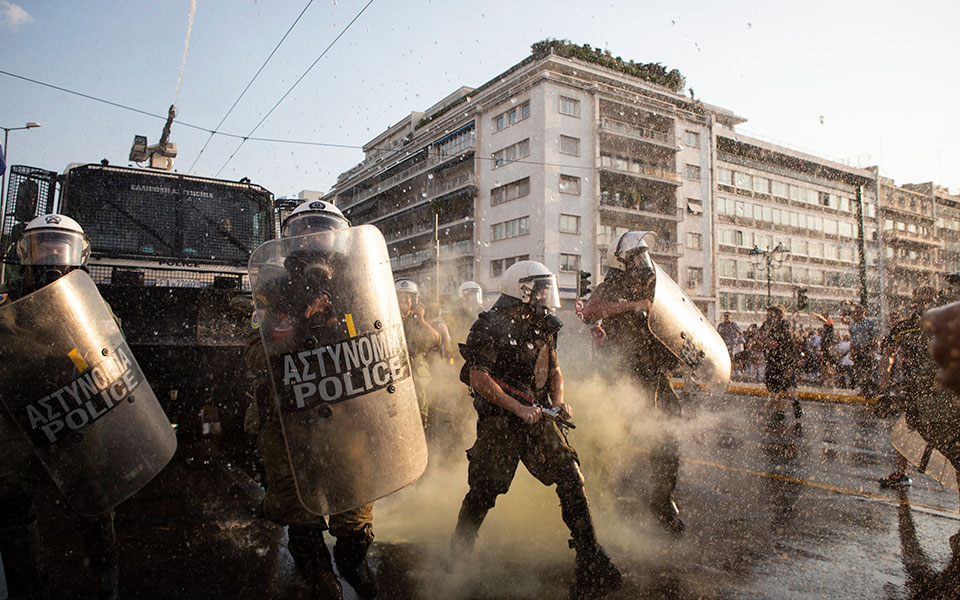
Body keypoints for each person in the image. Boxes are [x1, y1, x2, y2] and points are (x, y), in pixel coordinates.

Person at [451, 260, 622, 598]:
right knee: (485, 491)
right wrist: (517, 407)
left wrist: (558, 403)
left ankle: (590, 557)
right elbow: (478, 377)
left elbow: (555, 373)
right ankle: (458, 555)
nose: (547, 296)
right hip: (501, 423)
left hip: (538, 417)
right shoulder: (489, 326)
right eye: (541, 289)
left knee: (571, 475)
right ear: (522, 290)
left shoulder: (543, 325)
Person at [244, 200, 376, 599]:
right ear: (291, 242)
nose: (314, 239)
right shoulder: (271, 293)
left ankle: (359, 579)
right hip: (288, 421)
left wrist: (339, 328)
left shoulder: (359, 289)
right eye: (305, 232)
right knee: (301, 527)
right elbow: (254, 354)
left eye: (323, 231)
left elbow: (381, 345)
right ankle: (326, 590)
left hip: (345, 419)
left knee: (354, 526)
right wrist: (301, 327)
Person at [0, 215, 119, 599]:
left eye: (59, 246)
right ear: (25, 253)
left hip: (71, 410)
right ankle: (25, 582)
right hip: (21, 418)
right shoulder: (7, 305)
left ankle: (106, 576)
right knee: (11, 500)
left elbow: (109, 349)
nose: (52, 254)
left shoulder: (90, 303)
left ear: (77, 254)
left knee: (95, 496)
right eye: (44, 246)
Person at [581, 231, 686, 535]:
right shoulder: (612, 285)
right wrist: (632, 306)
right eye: (636, 256)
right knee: (611, 435)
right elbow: (590, 311)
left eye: (643, 254)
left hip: (655, 373)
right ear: (622, 261)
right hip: (624, 373)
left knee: (667, 435)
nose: (642, 260)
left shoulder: (654, 284)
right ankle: (598, 495)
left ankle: (663, 502)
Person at [395, 279, 441, 426]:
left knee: (421, 417)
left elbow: (436, 341)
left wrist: (420, 320)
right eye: (401, 296)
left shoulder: (418, 322)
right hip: (395, 371)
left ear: (414, 300)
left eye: (408, 297)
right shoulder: (389, 319)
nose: (404, 300)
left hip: (416, 374)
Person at [761, 305, 802, 423]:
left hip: (778, 361)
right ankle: (791, 402)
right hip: (784, 361)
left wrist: (771, 344)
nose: (769, 315)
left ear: (777, 314)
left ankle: (782, 410)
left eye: (771, 313)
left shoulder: (779, 325)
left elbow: (774, 343)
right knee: (786, 385)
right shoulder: (784, 325)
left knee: (777, 387)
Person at [848, 304, 879, 398]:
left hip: (866, 349)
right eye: (856, 311)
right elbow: (852, 339)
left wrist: (872, 351)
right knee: (858, 371)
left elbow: (874, 337)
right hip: (857, 350)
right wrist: (852, 352)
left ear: (863, 312)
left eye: (859, 311)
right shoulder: (853, 324)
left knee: (868, 371)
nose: (857, 313)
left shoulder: (869, 322)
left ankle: (874, 389)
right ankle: (863, 389)